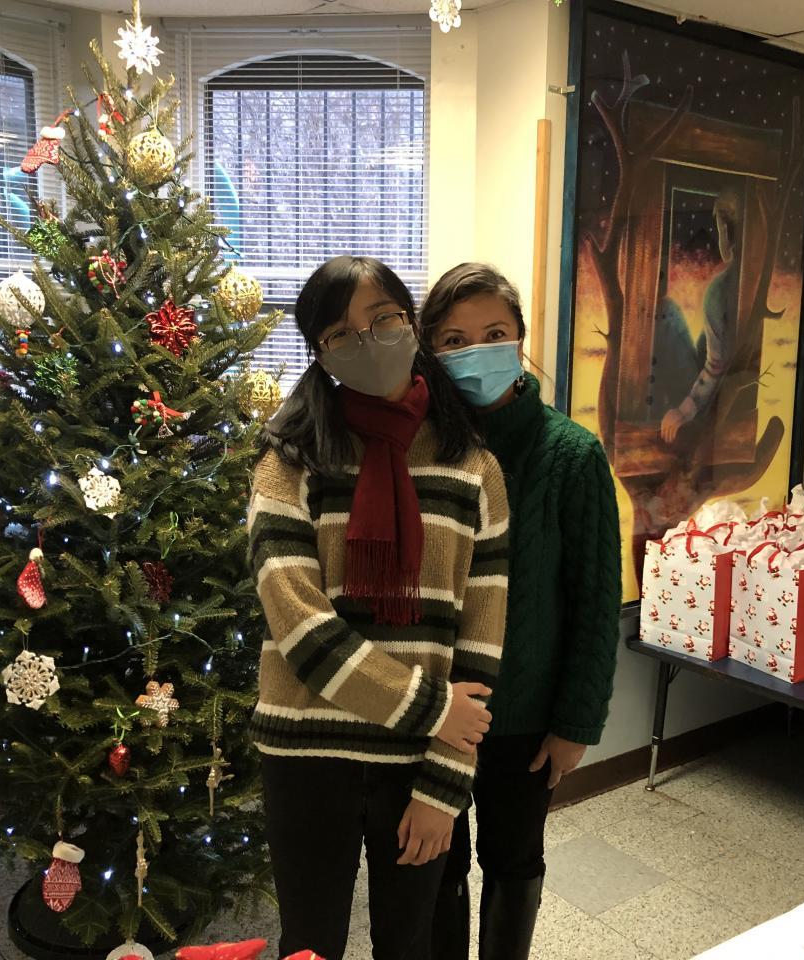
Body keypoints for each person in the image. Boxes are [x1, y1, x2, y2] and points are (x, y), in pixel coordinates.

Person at [249, 255, 511, 960]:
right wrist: (432, 709)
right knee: (309, 943)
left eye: (384, 319)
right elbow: (300, 629)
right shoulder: (289, 461)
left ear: (411, 324)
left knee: (410, 942)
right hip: (307, 753)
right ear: (320, 351)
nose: (368, 341)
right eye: (341, 333)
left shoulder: (472, 467)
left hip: (417, 764)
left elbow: (480, 645)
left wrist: (445, 786)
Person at [420, 263, 622, 959]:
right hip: (435, 708)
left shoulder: (571, 454)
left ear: (520, 339)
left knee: (513, 860)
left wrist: (575, 724)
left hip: (526, 718)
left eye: (494, 334)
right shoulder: (417, 451)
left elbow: (595, 602)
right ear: (430, 350)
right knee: (436, 865)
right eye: (454, 340)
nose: (475, 352)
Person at [658, 189, 743, 445]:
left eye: (719, 229)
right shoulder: (752, 281)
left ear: (725, 230)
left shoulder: (719, 291)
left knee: (670, 315)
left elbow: (715, 366)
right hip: (731, 398)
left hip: (710, 404)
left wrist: (684, 411)